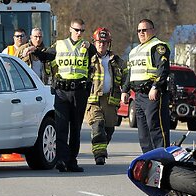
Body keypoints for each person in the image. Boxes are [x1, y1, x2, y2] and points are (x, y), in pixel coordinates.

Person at [29, 18, 97, 172]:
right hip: (62, 91)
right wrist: (35, 51)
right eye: (77, 30)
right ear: (70, 29)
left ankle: (72, 161)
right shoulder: (60, 45)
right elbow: (47, 56)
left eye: (82, 31)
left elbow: (98, 53)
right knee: (61, 127)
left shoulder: (86, 46)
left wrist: (91, 46)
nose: (79, 33)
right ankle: (61, 160)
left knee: (75, 129)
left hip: (79, 92)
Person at [121, 19, 171, 154]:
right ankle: (149, 160)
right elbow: (130, 73)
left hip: (152, 94)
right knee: (143, 132)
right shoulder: (134, 51)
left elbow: (163, 69)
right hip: (138, 95)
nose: (141, 33)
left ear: (153, 31)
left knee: (156, 128)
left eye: (145, 30)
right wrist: (125, 90)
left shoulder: (158, 46)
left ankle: (162, 159)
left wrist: (155, 87)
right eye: (139, 30)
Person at [84, 27, 126, 165]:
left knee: (108, 129)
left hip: (110, 101)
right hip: (93, 100)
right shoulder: (87, 59)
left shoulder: (117, 61)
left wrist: (125, 90)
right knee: (98, 125)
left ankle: (101, 148)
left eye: (104, 42)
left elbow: (126, 77)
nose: (101, 45)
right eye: (99, 42)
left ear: (109, 44)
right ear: (94, 43)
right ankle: (99, 156)